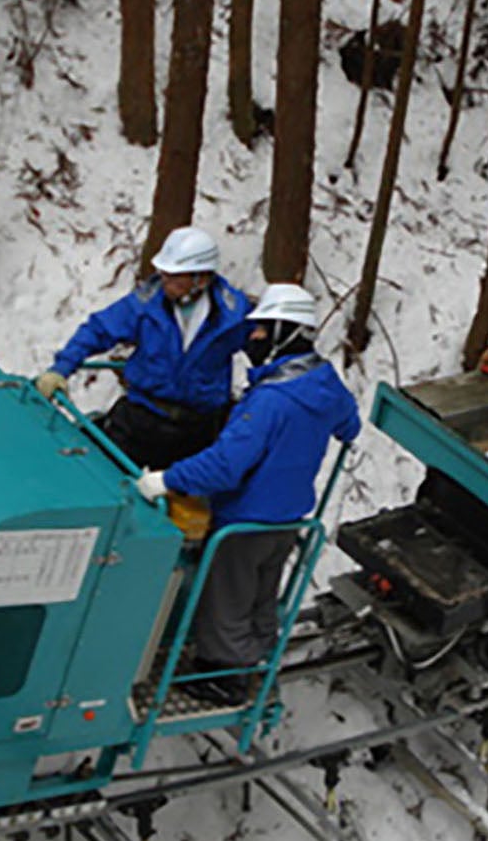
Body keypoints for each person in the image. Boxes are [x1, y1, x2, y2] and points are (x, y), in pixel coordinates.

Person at [134, 283, 360, 705]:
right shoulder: (324, 383)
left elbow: (225, 465)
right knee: (260, 595)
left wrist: (167, 480)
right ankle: (256, 657)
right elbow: (350, 425)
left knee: (226, 599)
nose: (251, 340)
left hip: (247, 518)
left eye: (259, 331)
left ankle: (225, 676)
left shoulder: (272, 402)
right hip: (289, 517)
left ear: (286, 332)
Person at [34, 227, 251, 470]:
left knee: (180, 502)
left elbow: (264, 350)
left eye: (175, 275)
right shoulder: (146, 304)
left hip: (196, 430)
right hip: (142, 417)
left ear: (201, 278)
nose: (165, 280)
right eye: (164, 272)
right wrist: (61, 369)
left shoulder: (233, 314)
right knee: (97, 473)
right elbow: (99, 330)